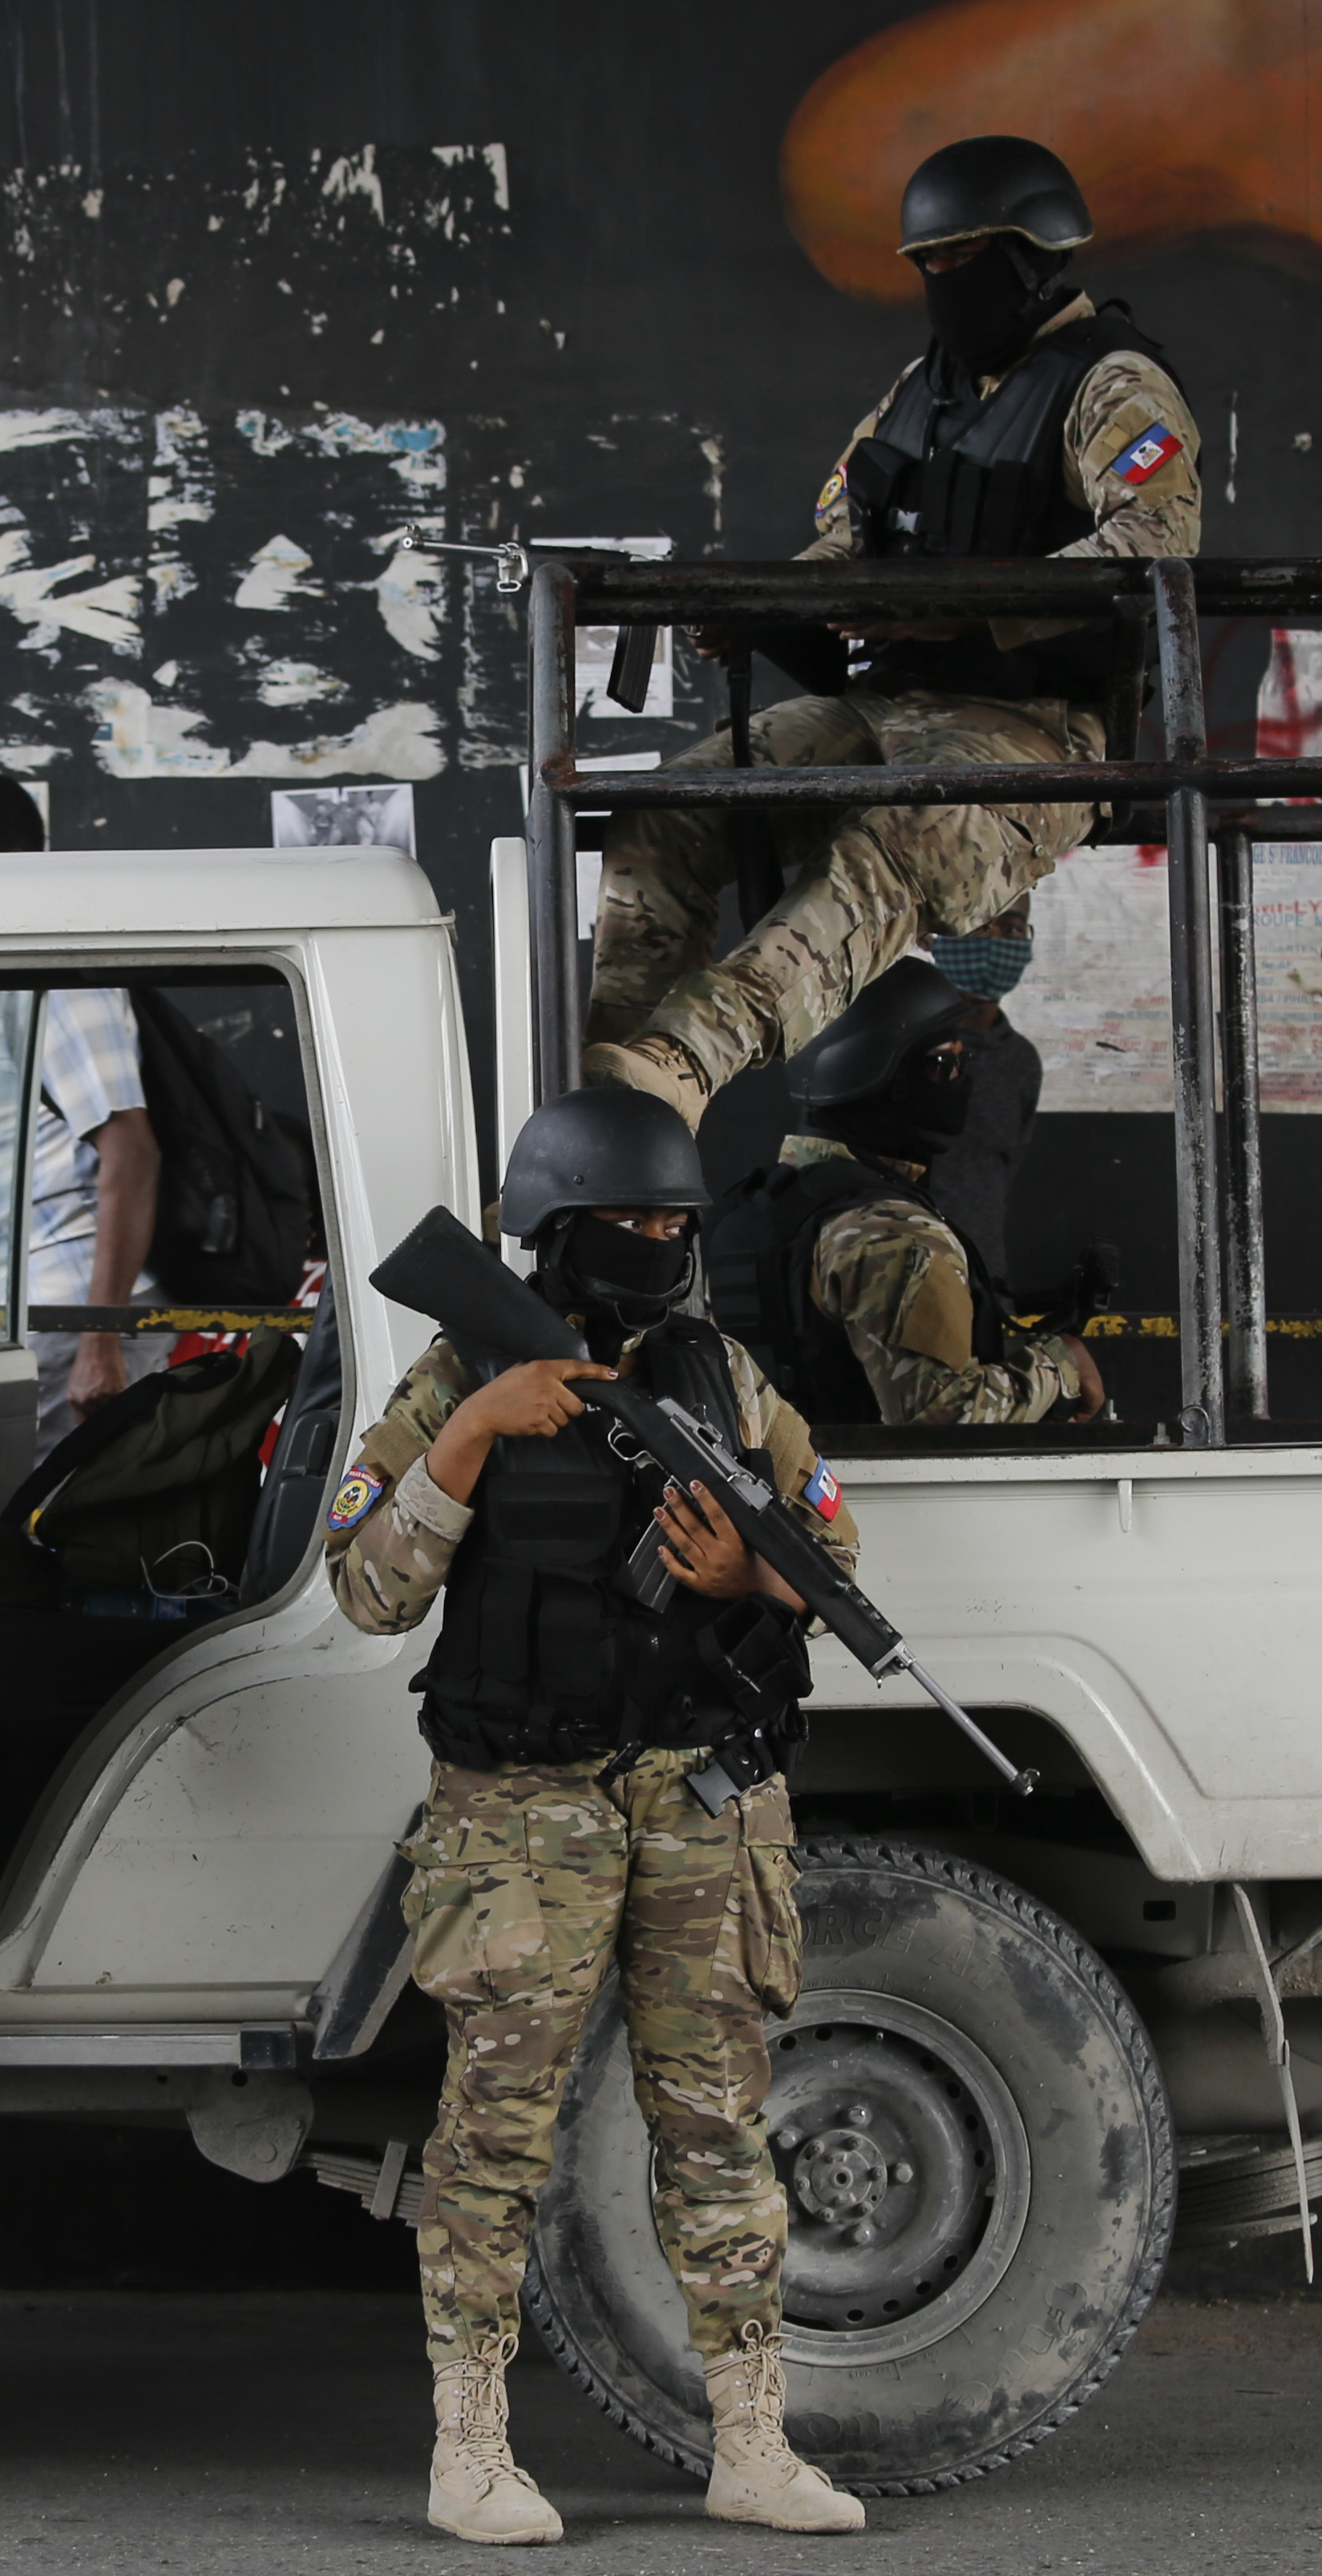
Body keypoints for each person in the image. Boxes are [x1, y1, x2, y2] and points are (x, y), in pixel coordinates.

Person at [326, 1085, 868, 2546]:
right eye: (632, 1221)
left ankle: (749, 2440)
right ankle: (469, 2449)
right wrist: (476, 1436)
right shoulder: (457, 1377)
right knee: (490, 2134)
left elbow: (827, 1550)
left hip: (699, 1791)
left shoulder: (723, 1377)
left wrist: (740, 1578)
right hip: (522, 1811)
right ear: (556, 1235)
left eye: (678, 1222)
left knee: (715, 2121)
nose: (662, 1243)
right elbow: (366, 1584)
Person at [586, 132, 1202, 1132]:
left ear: (1033, 254)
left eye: (964, 261)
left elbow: (1152, 544)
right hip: (886, 701)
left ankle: (677, 1063)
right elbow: (839, 539)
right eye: (930, 266)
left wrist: (961, 605)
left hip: (1037, 728)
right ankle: (603, 1097)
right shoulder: (923, 392)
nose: (943, 284)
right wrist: (758, 603)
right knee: (668, 806)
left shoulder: (1110, 385)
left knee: (895, 843)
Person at [705, 960, 1099, 1429]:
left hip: (781, 1489)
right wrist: (1062, 1365)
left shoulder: (751, 1210)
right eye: (944, 1064)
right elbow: (941, 1419)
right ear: (880, 1076)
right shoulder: (892, 1233)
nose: (960, 1079)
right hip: (874, 1498)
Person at [0, 769, 167, 1439]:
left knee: (61, 1528)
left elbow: (132, 1154)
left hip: (77, 1314)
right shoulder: (0, 984)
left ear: (13, 863)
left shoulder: (66, 984)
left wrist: (99, 1342)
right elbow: (1, 1175)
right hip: (29, 1313)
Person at [920, 910, 1044, 1281]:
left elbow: (1005, 1169)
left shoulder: (1020, 1061)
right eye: (976, 922)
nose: (993, 941)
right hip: (905, 1267)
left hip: (983, 1271)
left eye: (1011, 927)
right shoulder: (904, 1043)